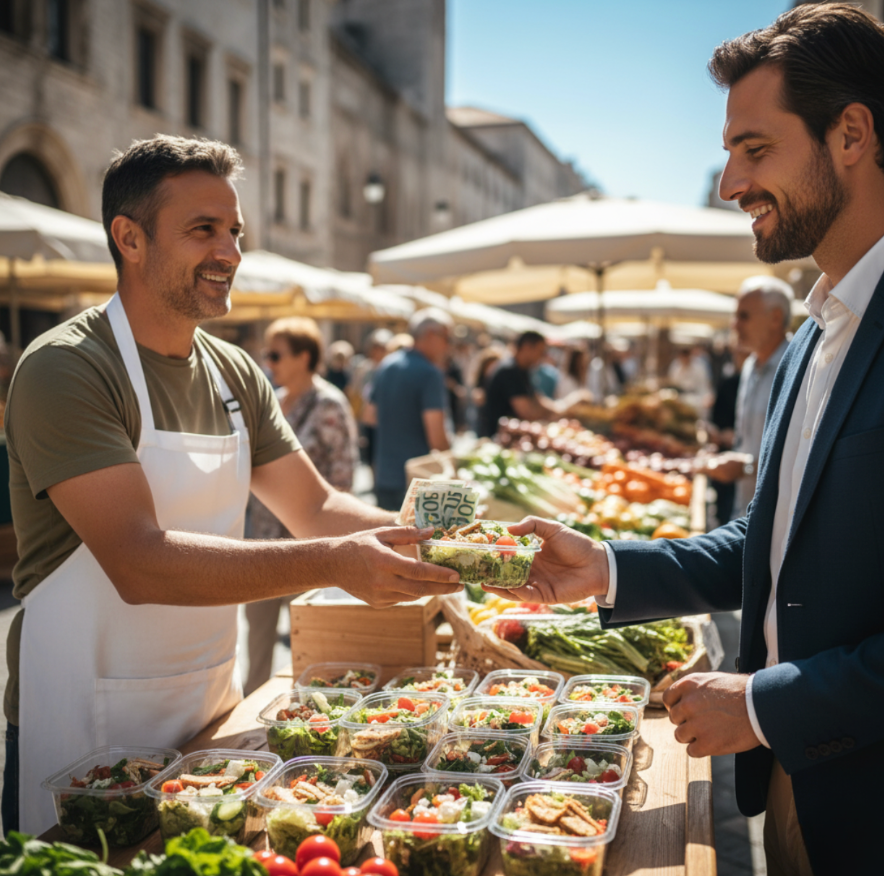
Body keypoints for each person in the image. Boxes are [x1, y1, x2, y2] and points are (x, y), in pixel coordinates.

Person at [490, 6, 884, 874]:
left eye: (754, 149)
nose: (727, 184)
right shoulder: (814, 335)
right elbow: (773, 538)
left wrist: (767, 704)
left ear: (851, 134)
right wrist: (607, 567)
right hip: (795, 788)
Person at [1, 135, 461, 835]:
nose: (230, 253)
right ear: (129, 238)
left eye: (235, 232)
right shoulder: (67, 369)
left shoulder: (235, 372)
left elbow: (314, 507)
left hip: (208, 711)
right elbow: (137, 560)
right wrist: (337, 564)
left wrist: (444, 542)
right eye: (204, 230)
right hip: (82, 729)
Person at [244, 317, 360, 694]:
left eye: (275, 354)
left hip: (309, 547)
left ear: (304, 357)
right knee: (257, 646)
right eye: (267, 354)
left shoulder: (330, 404)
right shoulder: (273, 402)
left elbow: (343, 478)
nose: (268, 362)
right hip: (262, 544)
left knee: (311, 651)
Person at [699, 277, 793, 516]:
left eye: (744, 316)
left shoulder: (798, 368)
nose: (734, 325)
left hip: (779, 517)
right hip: (745, 510)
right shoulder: (751, 366)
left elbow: (800, 456)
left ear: (775, 318)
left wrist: (746, 467)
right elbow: (748, 439)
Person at [365, 309, 452, 512]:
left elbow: (369, 416)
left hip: (385, 476)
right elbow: (437, 439)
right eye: (447, 337)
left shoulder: (386, 365)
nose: (449, 345)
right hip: (416, 482)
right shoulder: (430, 373)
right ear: (431, 334)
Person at [481, 331, 588, 436]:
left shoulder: (522, 371)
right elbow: (527, 412)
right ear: (527, 347)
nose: (541, 357)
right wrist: (560, 413)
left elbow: (538, 400)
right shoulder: (509, 371)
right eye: (540, 351)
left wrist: (563, 408)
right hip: (498, 437)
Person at [666, 347, 713, 415]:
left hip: (696, 400)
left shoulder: (699, 367)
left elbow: (704, 385)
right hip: (680, 400)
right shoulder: (676, 367)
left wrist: (707, 397)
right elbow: (673, 383)